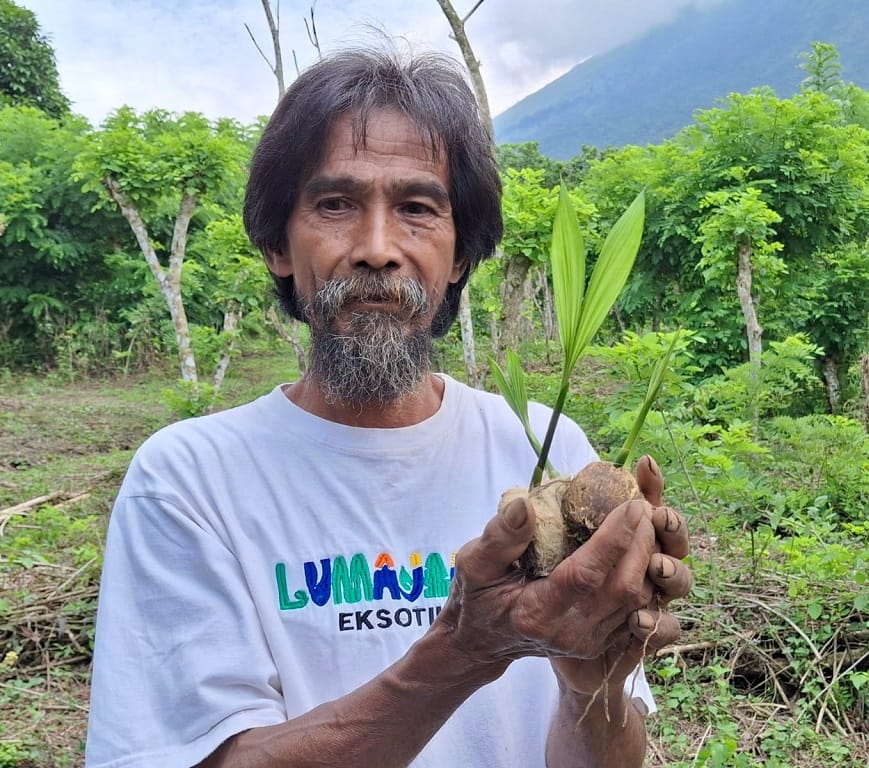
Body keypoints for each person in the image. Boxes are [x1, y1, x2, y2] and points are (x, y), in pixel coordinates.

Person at [85, 42, 692, 768]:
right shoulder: (190, 480)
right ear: (278, 245)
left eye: (416, 209)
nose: (377, 248)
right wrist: (464, 650)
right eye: (335, 205)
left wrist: (595, 683)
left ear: (459, 256)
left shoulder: (544, 446)